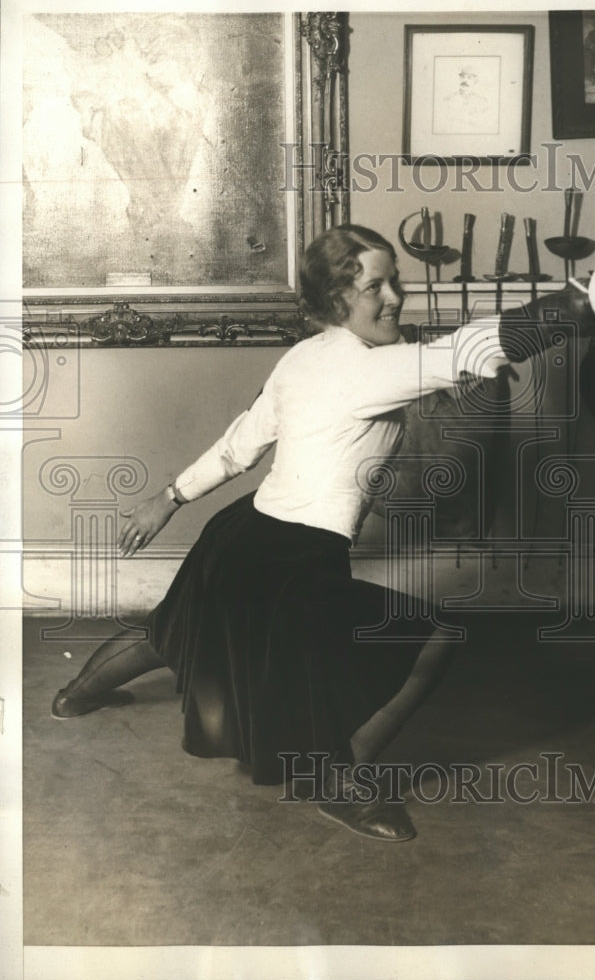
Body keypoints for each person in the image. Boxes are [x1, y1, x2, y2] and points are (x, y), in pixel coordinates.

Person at [51, 224, 517, 843]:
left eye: (395, 281)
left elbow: (238, 446)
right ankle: (339, 785)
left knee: (177, 630)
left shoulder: (304, 355)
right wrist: (581, 307)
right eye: (374, 287)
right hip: (295, 558)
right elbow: (468, 350)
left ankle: (74, 696)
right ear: (336, 300)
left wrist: (168, 498)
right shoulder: (372, 368)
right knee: (436, 638)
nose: (395, 298)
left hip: (237, 536)